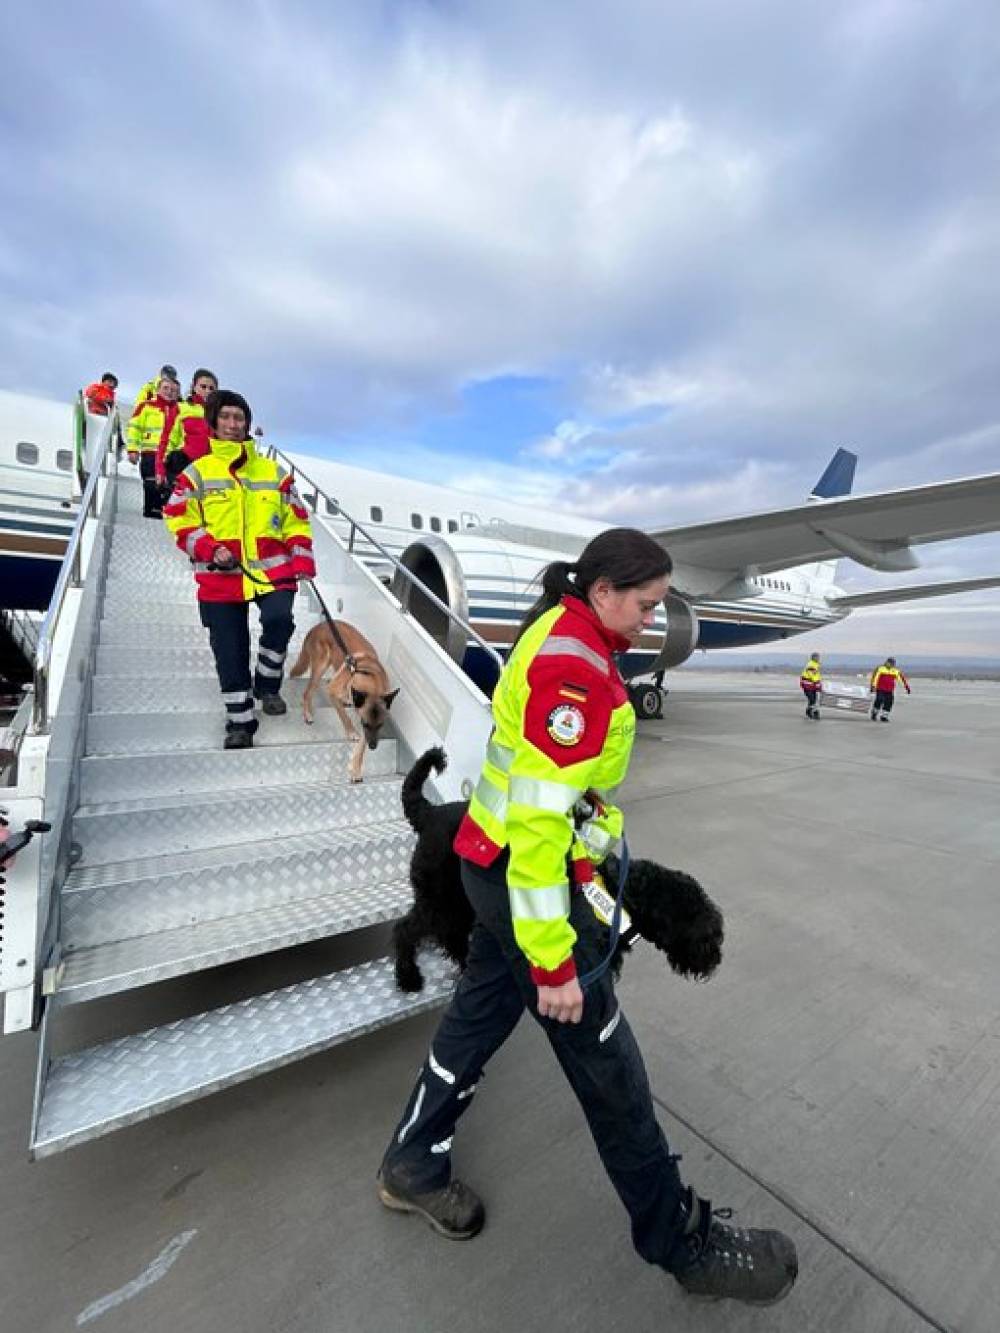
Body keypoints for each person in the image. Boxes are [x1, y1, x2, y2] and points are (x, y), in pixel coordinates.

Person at [377, 529, 798, 1307]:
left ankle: (412, 1163)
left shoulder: (565, 631)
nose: (652, 619)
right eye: (645, 604)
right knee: (612, 1072)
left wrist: (596, 832)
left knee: (473, 1022)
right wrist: (555, 965)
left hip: (490, 859)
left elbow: (553, 793)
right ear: (603, 591)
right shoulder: (575, 667)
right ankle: (682, 1242)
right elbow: (538, 821)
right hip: (522, 881)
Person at [163, 390, 316, 749]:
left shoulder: (274, 473)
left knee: (280, 620)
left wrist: (302, 557)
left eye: (239, 417)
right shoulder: (195, 474)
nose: (234, 424)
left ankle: (267, 681)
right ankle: (240, 721)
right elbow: (177, 519)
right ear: (214, 422)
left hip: (272, 570)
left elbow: (297, 519)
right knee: (229, 649)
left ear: (248, 423)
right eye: (227, 417)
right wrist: (208, 547)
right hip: (220, 577)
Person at [126, 374, 181, 518]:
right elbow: (135, 427)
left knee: (170, 485)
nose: (169, 392)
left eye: (173, 390)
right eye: (166, 388)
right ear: (158, 389)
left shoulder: (181, 411)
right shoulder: (146, 407)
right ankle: (151, 511)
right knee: (151, 483)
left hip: (170, 455)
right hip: (150, 452)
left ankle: (164, 511)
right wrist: (132, 449)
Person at [155, 368, 219, 488]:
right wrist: (160, 469)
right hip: (181, 465)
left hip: (206, 469)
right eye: (203, 386)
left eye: (211, 388)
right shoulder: (181, 408)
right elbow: (167, 440)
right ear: (194, 387)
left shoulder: (218, 415)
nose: (207, 391)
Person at [869, 656, 911, 722]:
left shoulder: (896, 671)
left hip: (889, 690)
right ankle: (874, 714)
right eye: (890, 663)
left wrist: (906, 688)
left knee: (889, 703)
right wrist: (873, 686)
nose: (891, 664)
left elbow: (902, 680)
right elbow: (875, 678)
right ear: (886, 662)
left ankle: (884, 717)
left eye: (893, 663)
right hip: (880, 689)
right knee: (879, 700)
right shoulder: (880, 668)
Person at [799, 652, 822, 720]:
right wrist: (816, 683)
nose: (818, 658)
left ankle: (810, 711)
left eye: (818, 657)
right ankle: (813, 712)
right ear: (813, 657)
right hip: (807, 685)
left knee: (813, 700)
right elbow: (811, 675)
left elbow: (816, 675)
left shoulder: (816, 664)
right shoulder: (811, 664)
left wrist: (819, 684)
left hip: (812, 685)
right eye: (817, 657)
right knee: (812, 699)